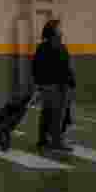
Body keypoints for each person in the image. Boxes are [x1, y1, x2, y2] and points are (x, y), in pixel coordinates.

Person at [31, 19, 76, 152]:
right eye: (59, 28)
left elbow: (35, 67)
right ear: (54, 31)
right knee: (58, 115)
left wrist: (39, 84)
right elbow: (64, 68)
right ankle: (56, 142)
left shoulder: (41, 47)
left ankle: (42, 139)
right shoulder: (59, 46)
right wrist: (70, 83)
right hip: (59, 86)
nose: (61, 30)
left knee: (46, 113)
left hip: (46, 86)